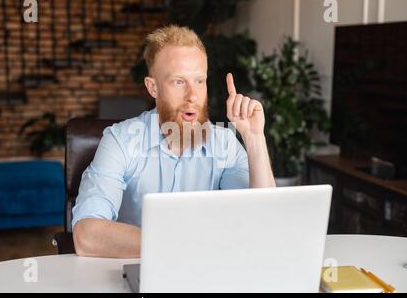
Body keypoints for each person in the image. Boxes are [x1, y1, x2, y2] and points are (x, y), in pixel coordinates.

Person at [72, 25, 276, 258]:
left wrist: (254, 137)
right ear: (153, 87)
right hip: (140, 275)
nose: (192, 95)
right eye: (179, 82)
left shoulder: (224, 143)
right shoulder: (120, 140)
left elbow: (265, 219)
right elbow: (86, 235)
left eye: (199, 81)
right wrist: (183, 247)